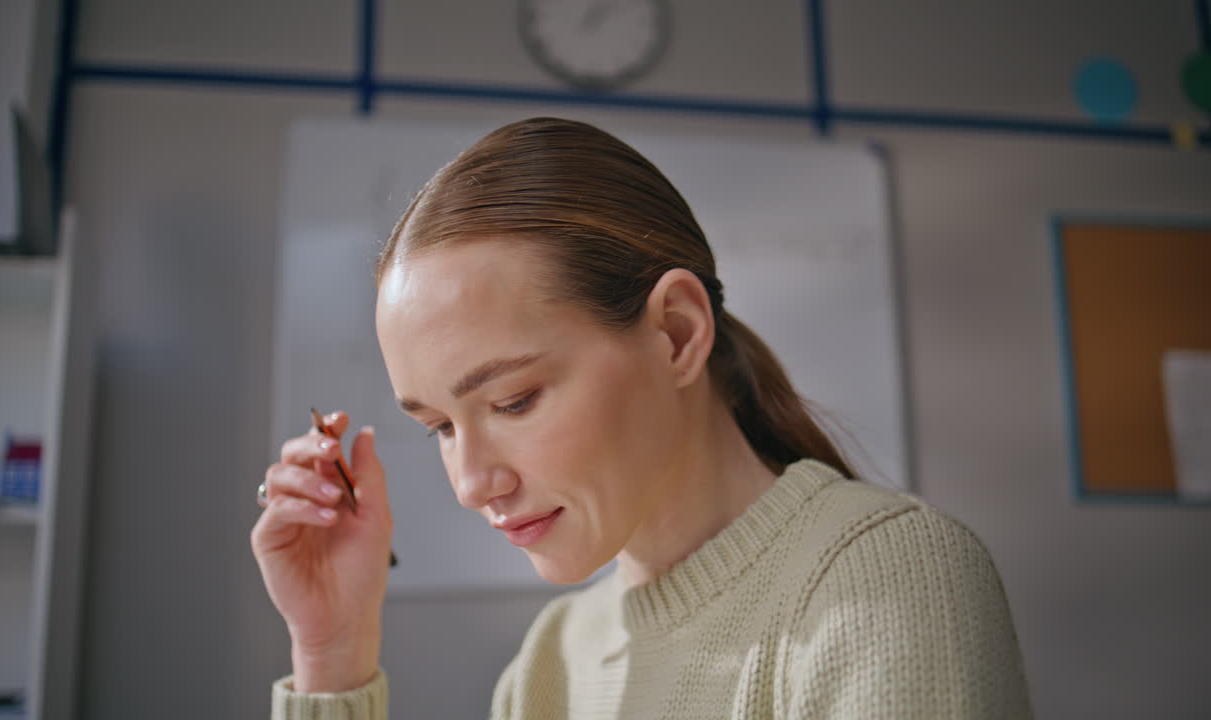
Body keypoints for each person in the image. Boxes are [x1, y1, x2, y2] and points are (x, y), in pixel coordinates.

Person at [251, 117, 1033, 719]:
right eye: (441, 427)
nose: (469, 484)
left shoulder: (886, 580)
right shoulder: (551, 664)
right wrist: (335, 652)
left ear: (677, 334)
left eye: (514, 400)